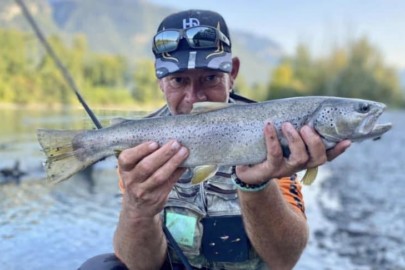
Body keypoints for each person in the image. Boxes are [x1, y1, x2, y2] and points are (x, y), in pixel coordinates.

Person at [79, 9, 351, 270]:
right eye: (178, 81)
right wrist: (137, 209)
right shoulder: (142, 142)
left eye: (209, 78)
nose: (194, 97)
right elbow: (139, 266)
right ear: (160, 80)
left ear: (232, 73)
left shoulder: (271, 127)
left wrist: (255, 186)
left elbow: (284, 262)